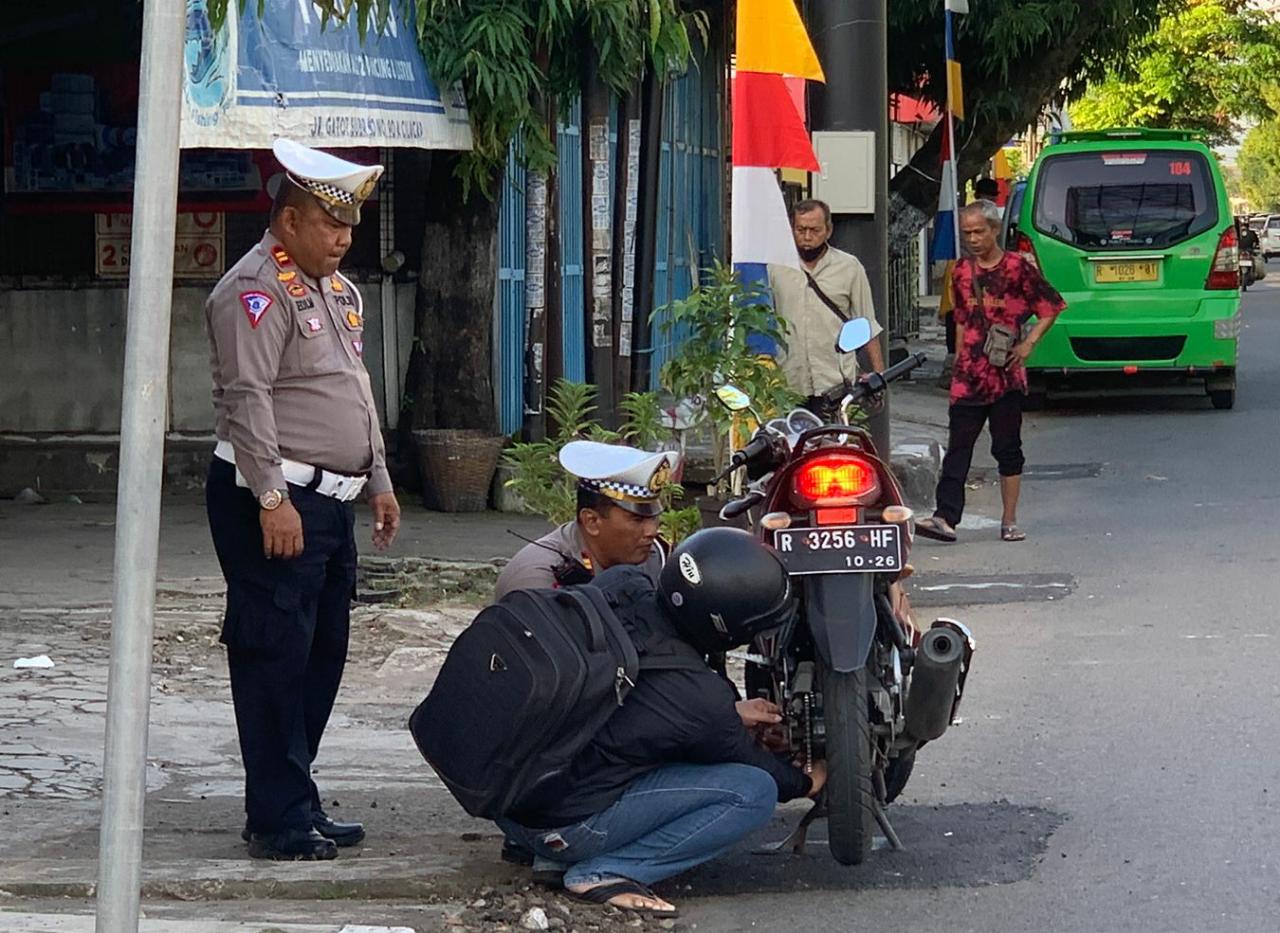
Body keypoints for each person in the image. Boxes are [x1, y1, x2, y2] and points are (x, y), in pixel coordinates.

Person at [205, 139, 401, 860]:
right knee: (273, 655)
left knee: (322, 653)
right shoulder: (253, 289)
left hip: (332, 502)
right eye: (330, 223)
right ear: (288, 219)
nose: (344, 239)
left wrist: (377, 476)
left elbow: (354, 388)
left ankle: (295, 793)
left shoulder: (336, 291)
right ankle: (276, 814)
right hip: (272, 497)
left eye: (350, 226)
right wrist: (269, 494)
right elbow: (247, 397)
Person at [497, 528, 826, 917]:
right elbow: (768, 773)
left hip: (505, 799)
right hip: (565, 828)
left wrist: (726, 715)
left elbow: (647, 701)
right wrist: (812, 779)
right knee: (753, 792)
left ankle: (548, 854)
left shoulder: (623, 582)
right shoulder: (699, 700)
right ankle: (604, 871)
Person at [915, 199, 1064, 544]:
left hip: (1006, 374)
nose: (973, 239)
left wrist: (1028, 346)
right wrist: (956, 363)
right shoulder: (962, 272)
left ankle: (1009, 520)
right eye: (967, 233)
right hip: (969, 376)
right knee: (958, 448)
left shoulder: (1017, 268)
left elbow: (1050, 306)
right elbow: (961, 321)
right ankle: (945, 517)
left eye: (979, 231)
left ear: (995, 230)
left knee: (1007, 448)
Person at [494, 440, 676, 600]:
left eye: (653, 517)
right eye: (637, 519)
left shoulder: (653, 556)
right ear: (591, 521)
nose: (651, 531)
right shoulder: (538, 579)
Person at [768, 199, 885, 407]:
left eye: (814, 230)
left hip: (836, 382)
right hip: (788, 382)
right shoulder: (775, 268)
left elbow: (867, 324)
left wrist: (879, 376)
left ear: (828, 231)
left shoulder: (849, 267)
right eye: (800, 229)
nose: (807, 237)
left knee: (836, 439)